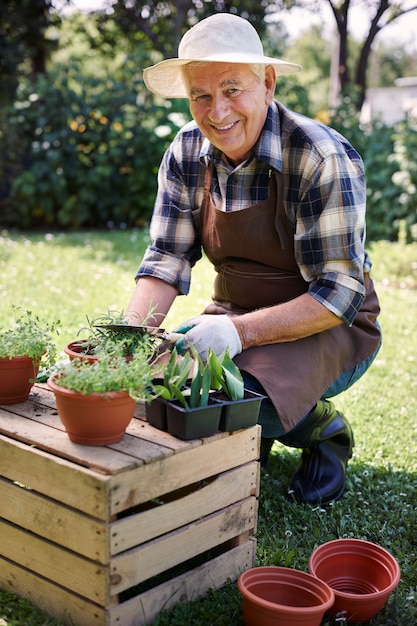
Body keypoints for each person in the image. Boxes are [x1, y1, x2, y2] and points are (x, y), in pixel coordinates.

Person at [126, 13, 382, 505]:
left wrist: (238, 335)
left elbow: (339, 293)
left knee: (226, 396)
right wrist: (129, 342)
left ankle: (325, 431)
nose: (217, 111)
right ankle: (251, 435)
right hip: (234, 316)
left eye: (232, 89)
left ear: (266, 84)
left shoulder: (319, 155)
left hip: (331, 328)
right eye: (201, 95)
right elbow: (165, 261)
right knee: (157, 376)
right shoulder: (185, 151)